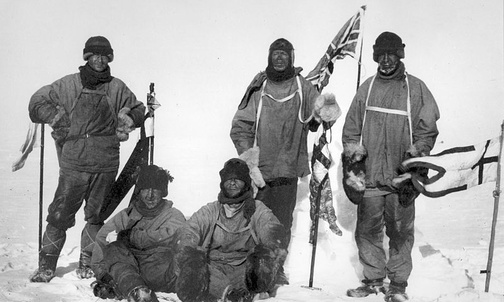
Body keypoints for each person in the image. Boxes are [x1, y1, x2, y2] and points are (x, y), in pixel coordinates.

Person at [28, 36, 146, 282]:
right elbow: (37, 103)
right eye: (95, 55)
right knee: (60, 215)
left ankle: (88, 262)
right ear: (87, 57)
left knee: (96, 216)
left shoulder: (117, 87)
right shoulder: (68, 85)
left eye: (105, 55)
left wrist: (129, 120)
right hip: (74, 164)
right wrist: (54, 117)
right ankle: (47, 264)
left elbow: (137, 108)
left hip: (105, 163)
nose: (100, 60)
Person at [230, 38, 340, 283]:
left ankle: (275, 269)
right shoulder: (259, 86)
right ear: (270, 57)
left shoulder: (302, 86)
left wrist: (326, 110)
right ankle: (251, 271)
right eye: (275, 54)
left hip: (288, 170)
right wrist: (250, 162)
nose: (280, 58)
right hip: (260, 172)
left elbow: (324, 111)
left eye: (284, 54)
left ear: (291, 57)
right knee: (254, 222)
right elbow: (240, 126)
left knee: (281, 224)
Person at [341, 32, 440, 302]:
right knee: (367, 230)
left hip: (400, 177)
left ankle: (397, 285)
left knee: (400, 230)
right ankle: (373, 280)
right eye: (381, 55)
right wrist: (354, 159)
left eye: (391, 54)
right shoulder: (368, 87)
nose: (386, 60)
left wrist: (416, 156)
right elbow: (351, 128)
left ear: (400, 55)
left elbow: (427, 129)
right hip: (372, 177)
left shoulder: (415, 88)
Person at [175, 158, 287, 302]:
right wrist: (189, 254)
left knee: (261, 269)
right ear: (222, 183)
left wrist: (266, 254)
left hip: (243, 268)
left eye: (238, 179)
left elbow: (272, 231)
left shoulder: (257, 209)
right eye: (228, 179)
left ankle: (242, 292)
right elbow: (190, 230)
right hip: (214, 269)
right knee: (193, 268)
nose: (232, 183)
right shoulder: (211, 210)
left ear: (246, 183)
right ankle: (229, 293)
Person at [89, 164, 186, 302]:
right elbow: (103, 239)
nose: (150, 195)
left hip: (161, 271)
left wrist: (131, 236)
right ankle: (137, 291)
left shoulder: (173, 215)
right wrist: (103, 274)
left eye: (155, 189)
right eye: (146, 189)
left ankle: (123, 287)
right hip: (132, 271)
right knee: (114, 248)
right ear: (139, 191)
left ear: (163, 191)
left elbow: (170, 236)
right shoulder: (127, 215)